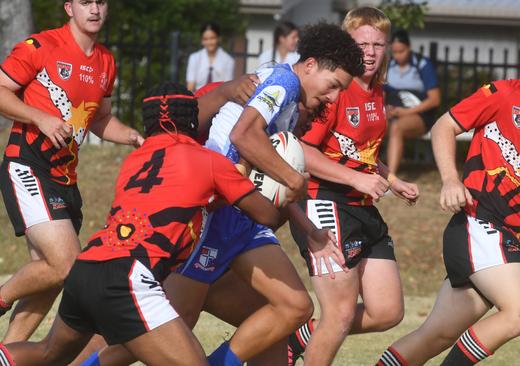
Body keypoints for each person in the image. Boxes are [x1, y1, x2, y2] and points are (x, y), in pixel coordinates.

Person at [79, 22, 365, 366]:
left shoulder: (288, 101)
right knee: (170, 324)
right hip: (214, 211)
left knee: (295, 307)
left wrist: (311, 231)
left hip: (239, 215)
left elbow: (265, 172)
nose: (333, 98)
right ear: (310, 65)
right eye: (333, 85)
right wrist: (292, 178)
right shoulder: (285, 82)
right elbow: (244, 136)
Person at [0, 81, 287, 366]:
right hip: (130, 276)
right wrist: (266, 177)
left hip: (87, 267)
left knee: (49, 352)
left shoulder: (134, 161)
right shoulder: (208, 160)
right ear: (192, 119)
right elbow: (267, 216)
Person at [375, 22, 520, 366]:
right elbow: (444, 126)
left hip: (507, 238)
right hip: (479, 223)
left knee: (435, 336)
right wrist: (451, 181)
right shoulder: (504, 93)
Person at [0, 0, 143, 345]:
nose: (94, 9)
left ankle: (7, 354)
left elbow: (100, 119)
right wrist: (39, 117)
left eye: (101, 2)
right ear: (68, 8)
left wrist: (135, 138)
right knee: (66, 264)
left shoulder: (106, 60)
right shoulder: (40, 46)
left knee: (52, 274)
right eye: (85, 2)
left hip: (66, 178)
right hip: (28, 164)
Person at [286, 7, 420, 366]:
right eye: (364, 43)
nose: (372, 52)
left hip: (361, 206)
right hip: (323, 201)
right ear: (348, 45)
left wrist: (392, 179)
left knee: (387, 311)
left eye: (379, 43)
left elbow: (361, 153)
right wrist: (355, 178)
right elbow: (302, 150)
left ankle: (297, 337)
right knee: (340, 313)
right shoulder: (336, 90)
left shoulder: (377, 92)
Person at [385, 28, 440, 174]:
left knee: (397, 127)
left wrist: (406, 112)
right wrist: (385, 109)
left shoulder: (423, 65)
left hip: (419, 115)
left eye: (401, 51)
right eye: (394, 52)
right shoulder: (388, 66)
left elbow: (434, 100)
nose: (397, 56)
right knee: (371, 123)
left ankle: (390, 179)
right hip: (393, 114)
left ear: (409, 48)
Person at [186, 22, 235, 92]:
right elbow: (190, 86)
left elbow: (228, 87)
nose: (209, 42)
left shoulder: (228, 60)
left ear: (218, 38)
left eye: (212, 38)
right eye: (205, 39)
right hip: (197, 98)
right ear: (202, 41)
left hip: (219, 98)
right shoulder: (194, 58)